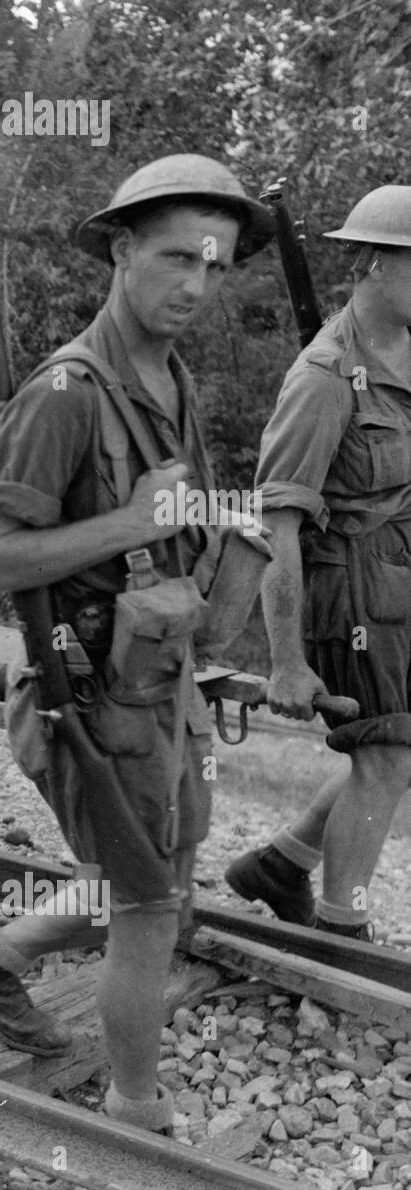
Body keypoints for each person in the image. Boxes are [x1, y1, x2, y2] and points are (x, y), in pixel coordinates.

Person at [0, 155, 274, 1132]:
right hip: (83, 697)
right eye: (174, 258)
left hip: (157, 685)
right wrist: (127, 527)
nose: (193, 287)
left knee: (159, 872)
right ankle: (133, 1116)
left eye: (211, 267)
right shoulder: (64, 395)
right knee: (149, 907)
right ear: (122, 251)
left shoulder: (167, 378)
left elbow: (177, 521)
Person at [225, 186, 411, 943]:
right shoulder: (323, 376)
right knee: (387, 754)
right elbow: (279, 525)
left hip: (400, 578)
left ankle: (282, 861)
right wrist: (288, 661)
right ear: (370, 262)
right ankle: (341, 932)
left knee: (397, 744)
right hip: (351, 589)